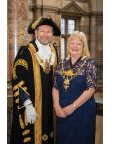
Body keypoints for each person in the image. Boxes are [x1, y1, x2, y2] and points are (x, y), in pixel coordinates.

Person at [10, 16, 61, 144]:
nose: (46, 34)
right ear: (36, 33)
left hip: (50, 107)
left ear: (52, 33)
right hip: (32, 106)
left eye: (49, 31)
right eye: (42, 31)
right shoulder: (25, 52)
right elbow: (17, 80)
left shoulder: (55, 51)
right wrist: (27, 104)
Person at [52, 31, 97, 144]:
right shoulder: (61, 63)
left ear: (84, 46)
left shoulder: (89, 63)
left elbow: (90, 89)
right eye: (72, 43)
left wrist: (72, 107)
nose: (75, 46)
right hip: (62, 112)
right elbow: (55, 87)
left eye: (79, 44)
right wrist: (56, 106)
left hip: (82, 112)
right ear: (68, 45)